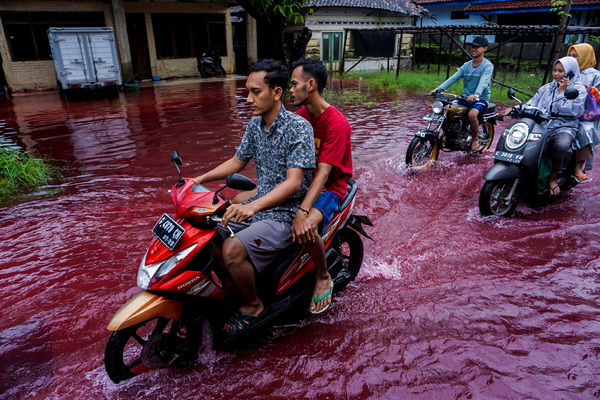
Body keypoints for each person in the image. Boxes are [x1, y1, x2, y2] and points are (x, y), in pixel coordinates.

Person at [191, 59, 315, 334]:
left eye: (255, 92)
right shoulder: (254, 125)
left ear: (277, 92)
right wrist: (198, 180)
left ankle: (253, 304)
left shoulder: (299, 128)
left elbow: (294, 183)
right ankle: (234, 286)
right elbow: (237, 162)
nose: (248, 99)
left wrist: (252, 206)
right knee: (208, 234)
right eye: (247, 91)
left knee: (232, 250)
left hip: (286, 213)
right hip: (258, 207)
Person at [289, 58, 352, 314]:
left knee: (306, 228)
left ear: (311, 85)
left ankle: (323, 275)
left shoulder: (336, 123)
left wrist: (303, 211)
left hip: (331, 187)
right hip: (305, 182)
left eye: (294, 84)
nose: (290, 90)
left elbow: (325, 173)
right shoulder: (300, 117)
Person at [504, 56, 587, 196]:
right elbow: (532, 103)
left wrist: (562, 92)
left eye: (561, 71)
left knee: (561, 145)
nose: (556, 74)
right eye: (554, 70)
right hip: (543, 124)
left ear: (571, 72)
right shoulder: (547, 88)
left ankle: (554, 178)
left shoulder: (578, 89)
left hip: (564, 126)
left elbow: (576, 112)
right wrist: (515, 108)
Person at [429, 36, 494, 154]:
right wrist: (438, 89)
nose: (474, 49)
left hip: (480, 98)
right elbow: (453, 78)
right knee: (445, 109)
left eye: (477, 47)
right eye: (472, 47)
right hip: (465, 97)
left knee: (472, 114)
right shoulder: (467, 65)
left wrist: (476, 94)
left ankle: (475, 139)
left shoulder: (487, 66)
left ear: (484, 48)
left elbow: (483, 82)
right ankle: (449, 134)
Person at [567, 43, 600, 183]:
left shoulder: (595, 75)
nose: (572, 59)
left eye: (576, 56)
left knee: (586, 132)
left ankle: (578, 167)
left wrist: (591, 90)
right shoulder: (566, 71)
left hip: (586, 116)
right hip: (566, 110)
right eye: (570, 55)